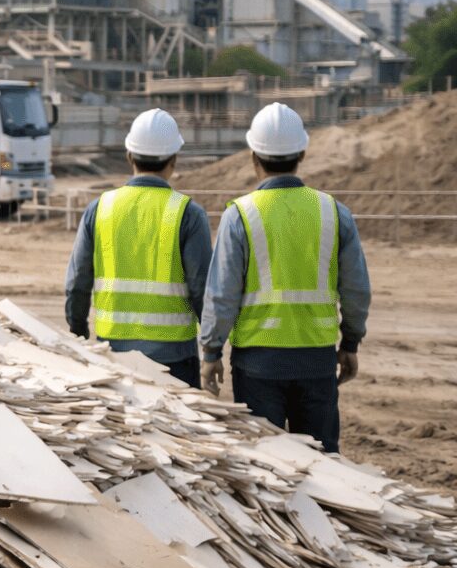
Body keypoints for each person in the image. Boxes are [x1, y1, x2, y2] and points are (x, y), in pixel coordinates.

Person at [200, 102, 371, 454]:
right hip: (317, 361)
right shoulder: (333, 213)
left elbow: (222, 295)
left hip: (257, 365)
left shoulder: (241, 216)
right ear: (302, 153)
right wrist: (350, 343)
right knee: (324, 467)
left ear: (253, 156)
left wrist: (211, 350)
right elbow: (356, 289)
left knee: (266, 468)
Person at [65, 108, 211, 387]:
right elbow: (202, 289)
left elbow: (77, 283)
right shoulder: (188, 213)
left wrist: (79, 335)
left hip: (114, 354)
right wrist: (212, 348)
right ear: (174, 160)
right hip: (175, 359)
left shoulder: (100, 209)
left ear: (129, 156)